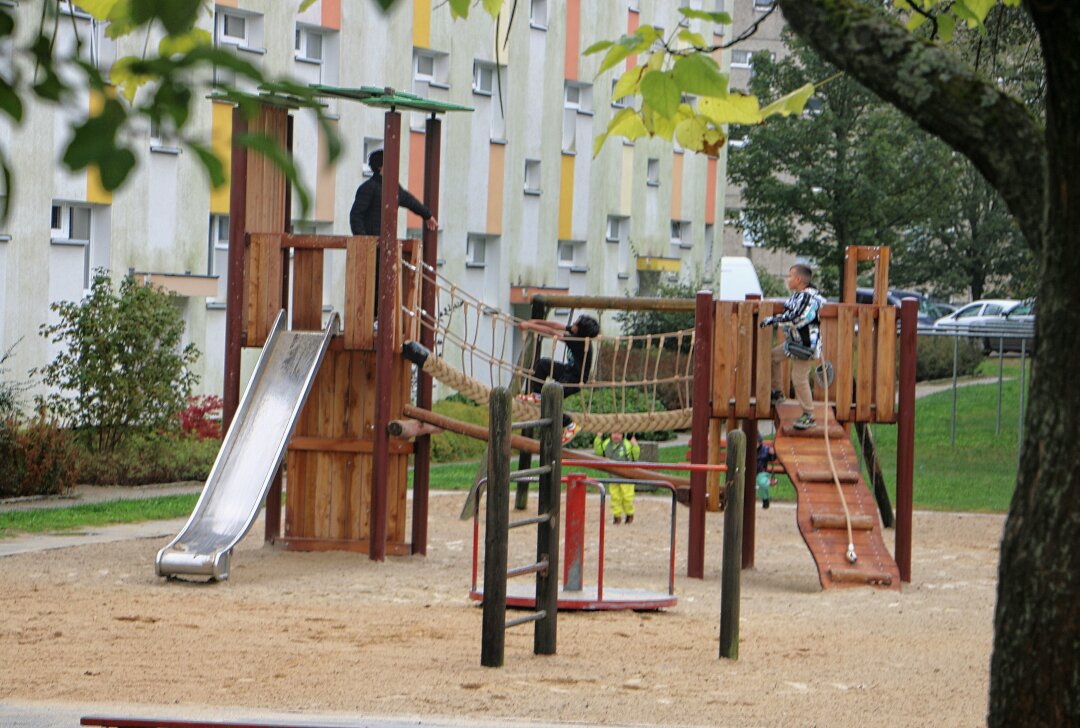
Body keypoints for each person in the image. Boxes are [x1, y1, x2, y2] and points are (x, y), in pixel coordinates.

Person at [349, 149, 438, 308]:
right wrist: (364, 241)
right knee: (371, 285)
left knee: (385, 284)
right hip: (370, 247)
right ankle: (373, 321)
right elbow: (356, 216)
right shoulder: (368, 188)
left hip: (385, 247)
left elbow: (410, 201)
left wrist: (427, 215)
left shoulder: (392, 189)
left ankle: (380, 319)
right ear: (381, 166)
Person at [517, 313, 601, 444]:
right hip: (569, 370)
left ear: (579, 330)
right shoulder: (577, 333)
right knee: (542, 364)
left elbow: (552, 332)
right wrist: (535, 321)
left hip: (575, 380)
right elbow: (556, 325)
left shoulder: (578, 341)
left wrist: (529, 326)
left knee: (551, 397)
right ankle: (538, 395)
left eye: (575, 324)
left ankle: (570, 425)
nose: (572, 325)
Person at [761, 263, 825, 430]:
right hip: (794, 343)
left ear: (798, 279)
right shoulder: (799, 295)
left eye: (790, 276)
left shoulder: (808, 298)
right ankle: (777, 392)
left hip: (805, 346)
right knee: (773, 357)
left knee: (799, 378)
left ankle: (809, 415)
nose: (787, 279)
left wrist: (772, 320)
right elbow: (790, 313)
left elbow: (797, 318)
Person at [594, 432, 640, 524]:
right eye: (614, 433)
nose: (616, 436)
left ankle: (629, 515)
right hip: (613, 476)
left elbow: (635, 457)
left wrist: (635, 446)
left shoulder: (627, 444)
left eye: (619, 434)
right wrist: (598, 438)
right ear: (610, 434)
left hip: (626, 477)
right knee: (615, 497)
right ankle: (617, 516)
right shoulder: (606, 443)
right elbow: (598, 452)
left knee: (627, 497)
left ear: (623, 435)